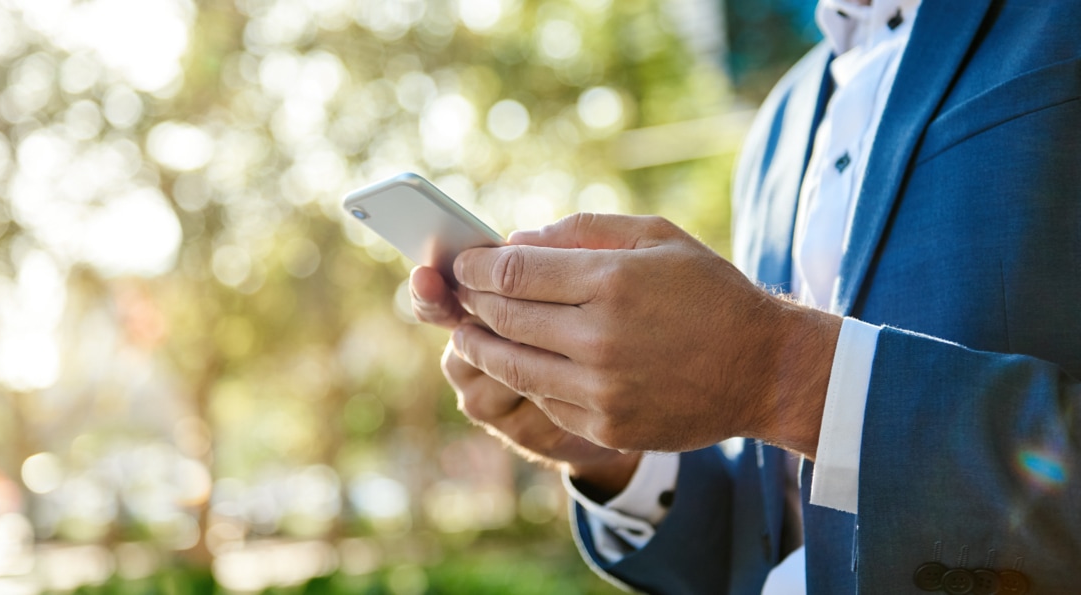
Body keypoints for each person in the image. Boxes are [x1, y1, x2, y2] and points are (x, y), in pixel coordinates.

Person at [412, 0, 1081, 592]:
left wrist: (780, 372)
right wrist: (620, 455)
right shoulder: (779, 125)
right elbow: (779, 531)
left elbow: (777, 381)